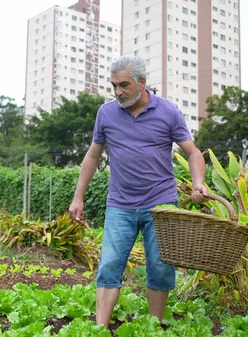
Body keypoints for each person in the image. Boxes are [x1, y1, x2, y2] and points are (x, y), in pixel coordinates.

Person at [68, 55, 209, 326]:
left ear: (142, 82)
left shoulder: (168, 111)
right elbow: (92, 156)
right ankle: (100, 328)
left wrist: (198, 182)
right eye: (114, 86)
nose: (118, 92)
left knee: (160, 267)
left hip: (161, 203)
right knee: (109, 264)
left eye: (124, 85)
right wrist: (78, 197)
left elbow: (192, 152)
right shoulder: (106, 113)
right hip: (120, 203)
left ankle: (152, 327)